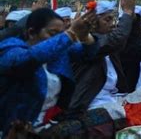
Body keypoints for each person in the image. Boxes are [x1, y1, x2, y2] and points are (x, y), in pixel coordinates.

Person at [0, 8, 97, 136]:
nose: (58, 39)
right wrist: (69, 35)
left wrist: (85, 36)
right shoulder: (10, 49)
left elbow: (88, 53)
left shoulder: (59, 51)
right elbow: (28, 59)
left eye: (61, 33)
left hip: (49, 126)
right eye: (53, 33)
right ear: (32, 33)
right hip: (13, 130)